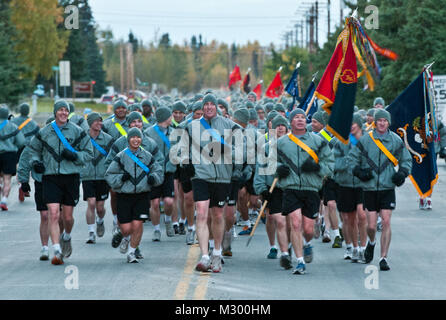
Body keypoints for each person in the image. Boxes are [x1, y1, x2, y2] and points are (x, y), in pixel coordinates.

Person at [177, 93, 240, 273]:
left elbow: (243, 150)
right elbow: (181, 147)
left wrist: (226, 151)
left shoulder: (229, 125)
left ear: (217, 107)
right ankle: (205, 256)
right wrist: (185, 162)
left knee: (218, 215)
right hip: (201, 175)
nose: (209, 107)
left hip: (222, 176)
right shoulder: (191, 126)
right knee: (202, 213)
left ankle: (217, 253)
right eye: (206, 105)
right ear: (202, 107)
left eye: (212, 104)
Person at [28, 100, 93, 265]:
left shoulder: (78, 131)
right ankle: (56, 249)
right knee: (53, 213)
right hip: (50, 177)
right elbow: (33, 150)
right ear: (55, 112)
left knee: (68, 217)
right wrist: (36, 162)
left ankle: (66, 236)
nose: (63, 113)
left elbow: (88, 153)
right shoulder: (45, 132)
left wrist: (75, 156)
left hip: (70, 176)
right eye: (60, 110)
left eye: (66, 110)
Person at [349, 109, 412, 271]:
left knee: (385, 221)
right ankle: (371, 243)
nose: (382, 123)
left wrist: (403, 173)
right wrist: (359, 172)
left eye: (385, 120)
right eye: (379, 120)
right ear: (375, 122)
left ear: (388, 123)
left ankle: (383, 257)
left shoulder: (396, 140)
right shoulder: (366, 140)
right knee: (370, 226)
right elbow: (353, 158)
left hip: (387, 187)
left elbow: (406, 159)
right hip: (370, 188)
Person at [276, 108, 333, 275]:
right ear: (291, 122)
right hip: (291, 188)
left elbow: (330, 164)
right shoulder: (281, 143)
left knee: (308, 229)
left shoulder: (318, 141)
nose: (300, 120)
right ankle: (300, 261)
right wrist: (278, 170)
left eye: (302, 117)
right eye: (296, 117)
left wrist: (317, 167)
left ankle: (307, 243)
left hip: (311, 188)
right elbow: (270, 163)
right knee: (295, 223)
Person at [106, 127, 163, 263]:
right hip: (125, 195)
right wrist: (121, 179)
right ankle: (124, 235)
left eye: (138, 137)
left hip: (142, 195)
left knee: (138, 224)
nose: (136, 140)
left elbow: (159, 171)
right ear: (128, 139)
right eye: (133, 137)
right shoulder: (120, 156)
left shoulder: (147, 156)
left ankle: (131, 252)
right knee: (126, 228)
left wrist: (153, 178)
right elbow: (109, 174)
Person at [254, 115, 291, 268]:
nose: (280, 127)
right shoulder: (267, 148)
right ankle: (278, 250)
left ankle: (287, 246)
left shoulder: (293, 146)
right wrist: (262, 188)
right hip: (273, 189)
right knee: (276, 220)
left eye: (283, 125)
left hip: (290, 189)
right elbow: (260, 170)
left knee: (290, 223)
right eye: (277, 125)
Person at [333, 113, 368, 262]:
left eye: (354, 123)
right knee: (350, 219)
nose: (351, 125)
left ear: (359, 124)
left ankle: (364, 248)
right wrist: (350, 163)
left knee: (362, 215)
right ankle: (354, 246)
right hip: (345, 183)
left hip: (363, 183)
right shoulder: (340, 142)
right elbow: (335, 163)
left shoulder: (368, 141)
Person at [145, 107, 177, 241]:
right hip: (154, 172)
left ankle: (168, 220)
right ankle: (157, 229)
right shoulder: (148, 133)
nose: (172, 118)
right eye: (170, 116)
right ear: (165, 117)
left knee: (169, 202)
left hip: (169, 171)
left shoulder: (175, 132)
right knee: (155, 203)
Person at [81, 113, 114, 244]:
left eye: (100, 121)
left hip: (102, 176)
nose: (99, 124)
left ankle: (100, 220)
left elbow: (112, 157)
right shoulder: (83, 138)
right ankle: (91, 232)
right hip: (87, 175)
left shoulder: (108, 139)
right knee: (91, 203)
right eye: (96, 121)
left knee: (100, 207)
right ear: (90, 123)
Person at [311, 111, 342, 248]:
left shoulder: (341, 135)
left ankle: (328, 230)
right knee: (323, 202)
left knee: (330, 204)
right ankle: (321, 223)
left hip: (337, 176)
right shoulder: (318, 137)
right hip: (322, 174)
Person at [0, 106, 26, 210]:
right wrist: (13, 146)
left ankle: (1, 191)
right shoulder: (13, 126)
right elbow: (21, 142)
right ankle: (4, 200)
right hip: (9, 155)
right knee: (7, 179)